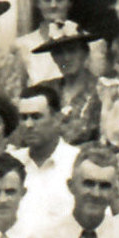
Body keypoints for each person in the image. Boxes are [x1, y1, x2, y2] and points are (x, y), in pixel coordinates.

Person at [13, 84, 80, 230]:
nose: (28, 124)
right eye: (23, 118)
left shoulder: (77, 162)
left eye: (36, 117)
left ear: (56, 118)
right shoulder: (11, 163)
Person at [17, 0, 93, 88]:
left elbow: (95, 84)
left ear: (69, 2)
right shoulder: (23, 45)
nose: (53, 5)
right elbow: (19, 90)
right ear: (38, 3)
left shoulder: (90, 42)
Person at [35, 31, 102, 146]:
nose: (66, 58)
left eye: (72, 50)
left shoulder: (103, 89)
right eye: (59, 53)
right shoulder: (44, 90)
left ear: (85, 53)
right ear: (53, 58)